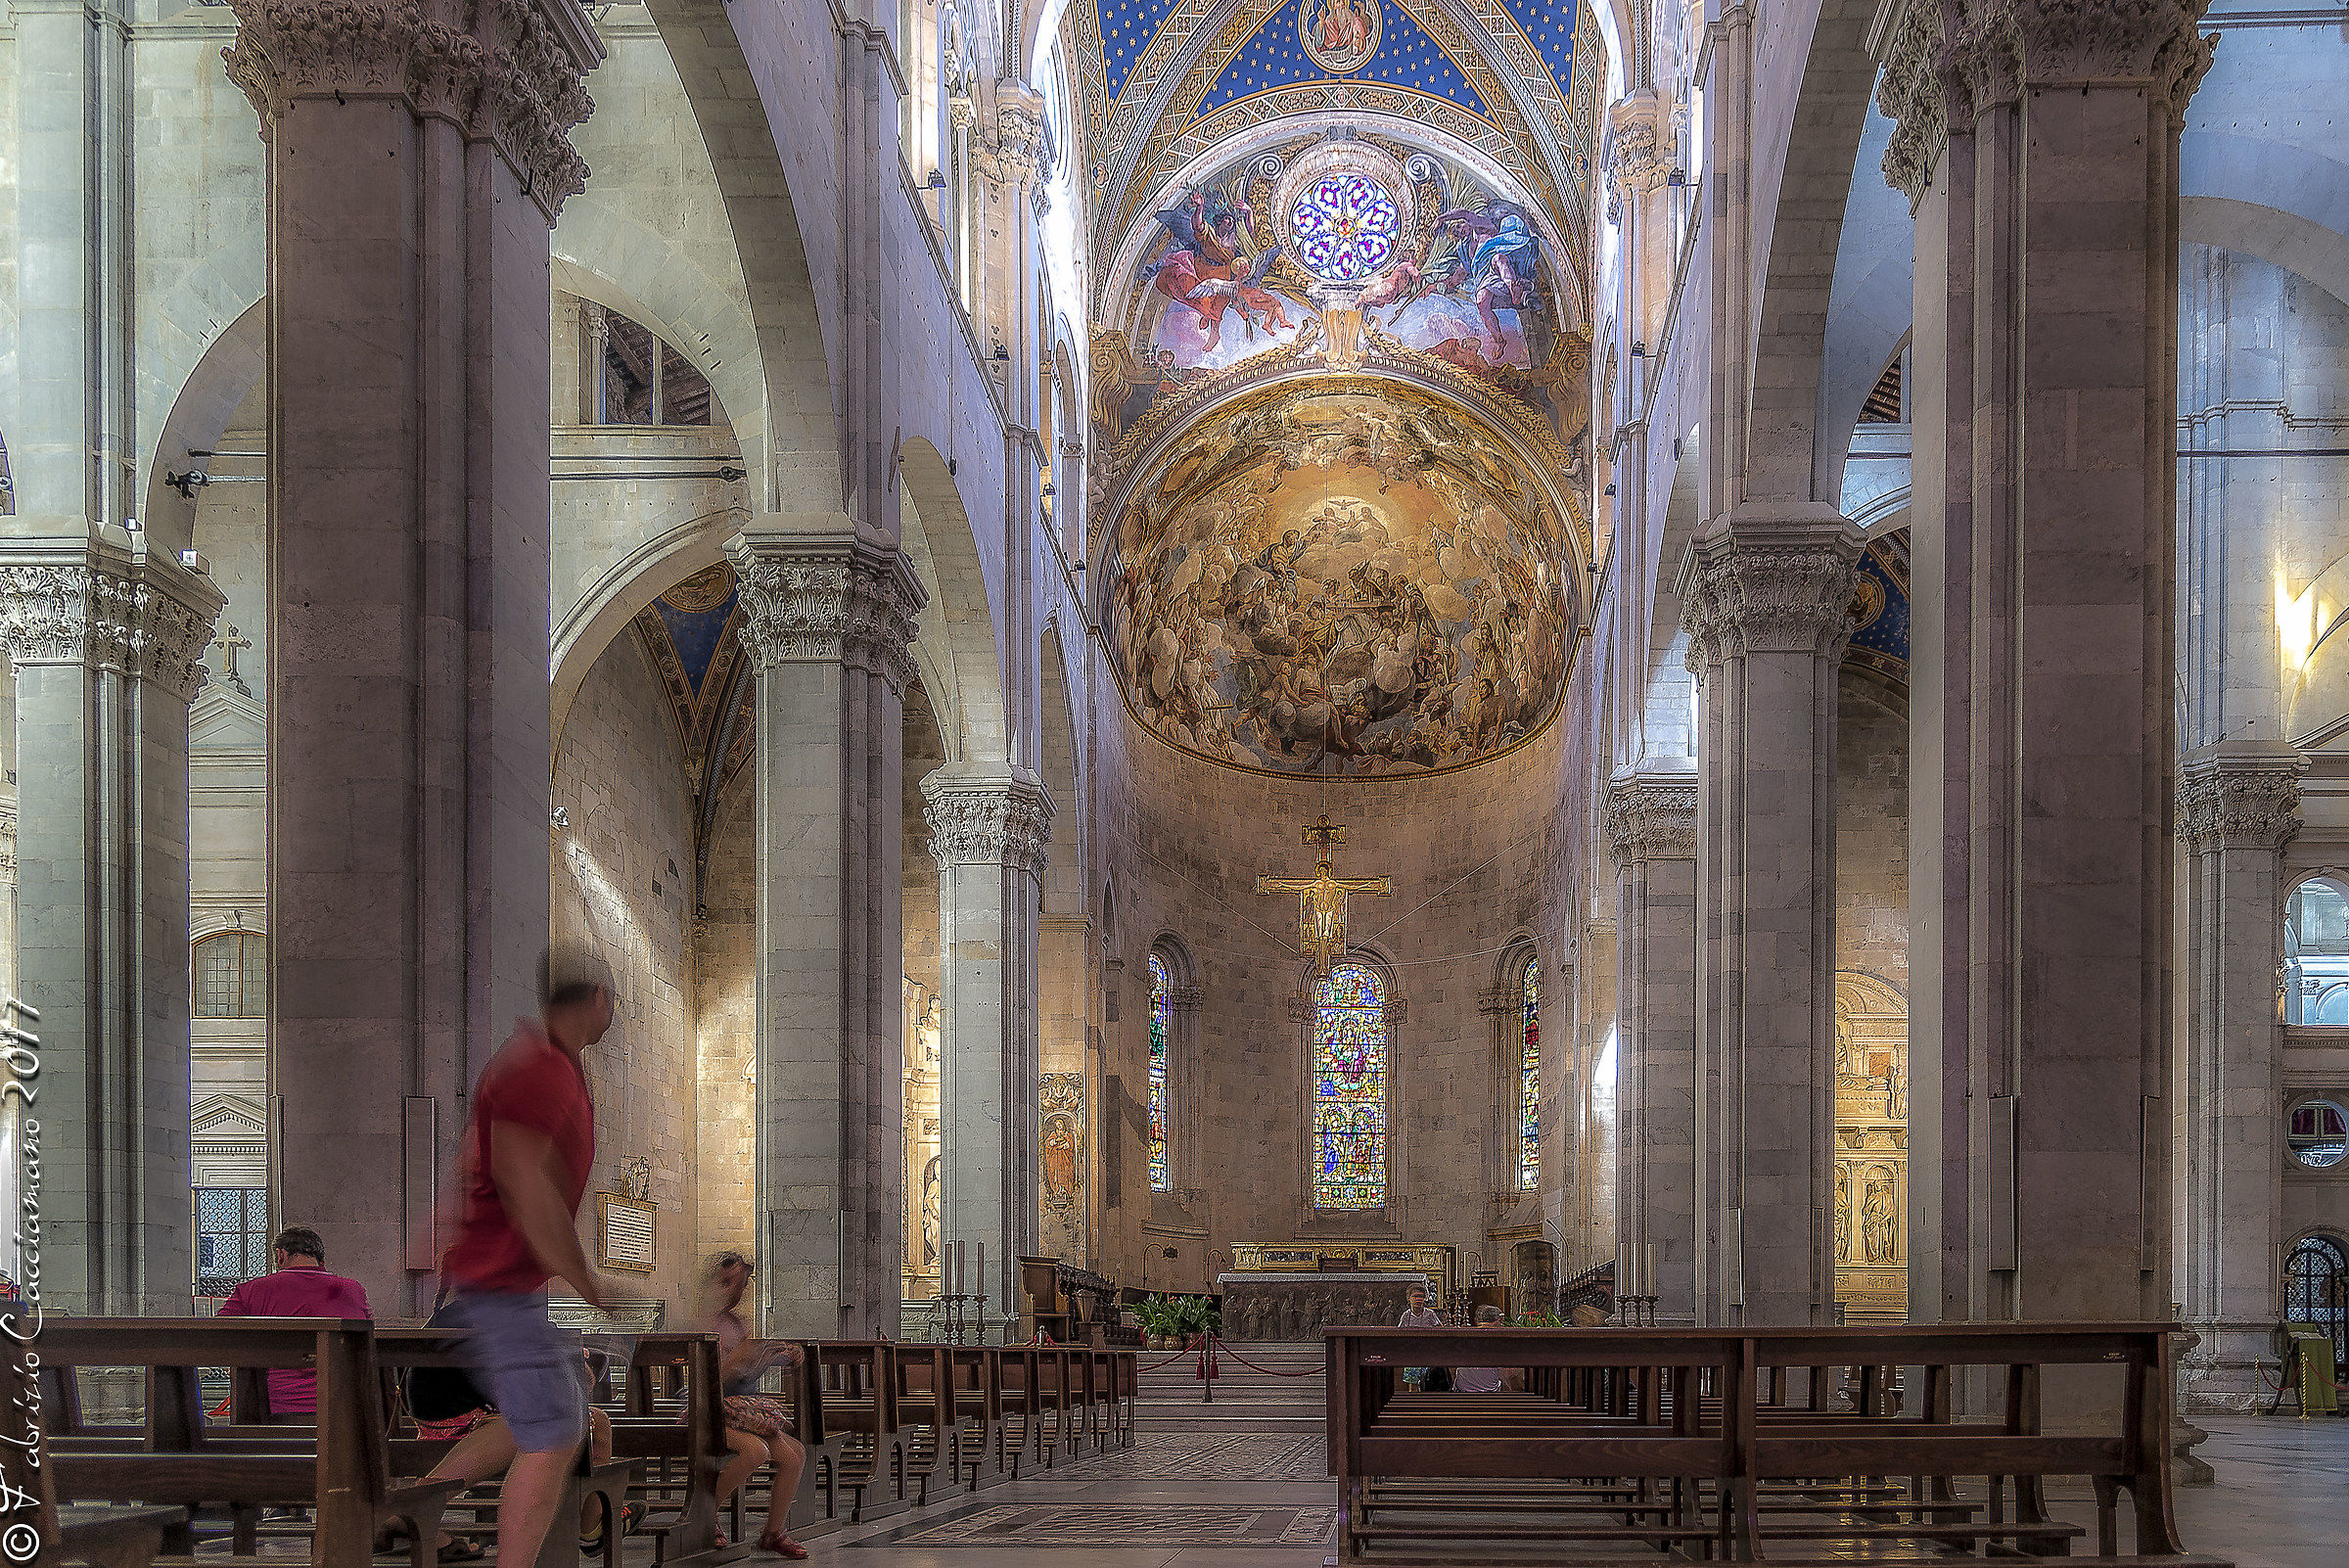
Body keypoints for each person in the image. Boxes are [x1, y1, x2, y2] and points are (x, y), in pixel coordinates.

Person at [436, 944, 617, 1568]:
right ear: (597, 999)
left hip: (506, 1286)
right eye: (611, 998)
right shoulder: (538, 1068)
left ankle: (414, 1513)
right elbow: (523, 1184)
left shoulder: (547, 1064)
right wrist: (585, 1279)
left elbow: (485, 1166)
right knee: (555, 1432)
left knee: (549, 1412)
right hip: (498, 1287)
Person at [697, 1251, 809, 1558]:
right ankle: (704, 1517)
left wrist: (781, 1354)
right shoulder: (703, 1320)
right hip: (708, 1410)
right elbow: (709, 1378)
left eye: (743, 1285)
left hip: (739, 1412)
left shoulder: (735, 1322)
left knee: (795, 1454)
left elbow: (745, 1369)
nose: (738, 1290)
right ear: (715, 1281)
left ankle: (772, 1534)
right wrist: (738, 1360)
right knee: (755, 1451)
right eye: (732, 1283)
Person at [216, 1226, 370, 1420]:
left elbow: (219, 1337)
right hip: (344, 1406)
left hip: (275, 1406)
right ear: (321, 1259)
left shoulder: (251, 1290)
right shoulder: (353, 1289)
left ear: (280, 1255)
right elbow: (367, 1337)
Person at [1451, 1305, 1520, 1394]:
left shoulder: (1465, 1338)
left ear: (1477, 1321)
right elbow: (1508, 1374)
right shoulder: (1497, 1342)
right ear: (1498, 1321)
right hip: (1490, 1392)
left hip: (1462, 1391)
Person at [1398, 1283, 1450, 1394]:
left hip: (1428, 1352)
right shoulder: (1406, 1316)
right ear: (1409, 1298)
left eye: (1421, 1296)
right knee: (1413, 1385)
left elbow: (1441, 1330)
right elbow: (1399, 1333)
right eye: (1415, 1296)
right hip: (1413, 1353)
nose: (1418, 1299)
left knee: (1429, 1383)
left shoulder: (1430, 1314)